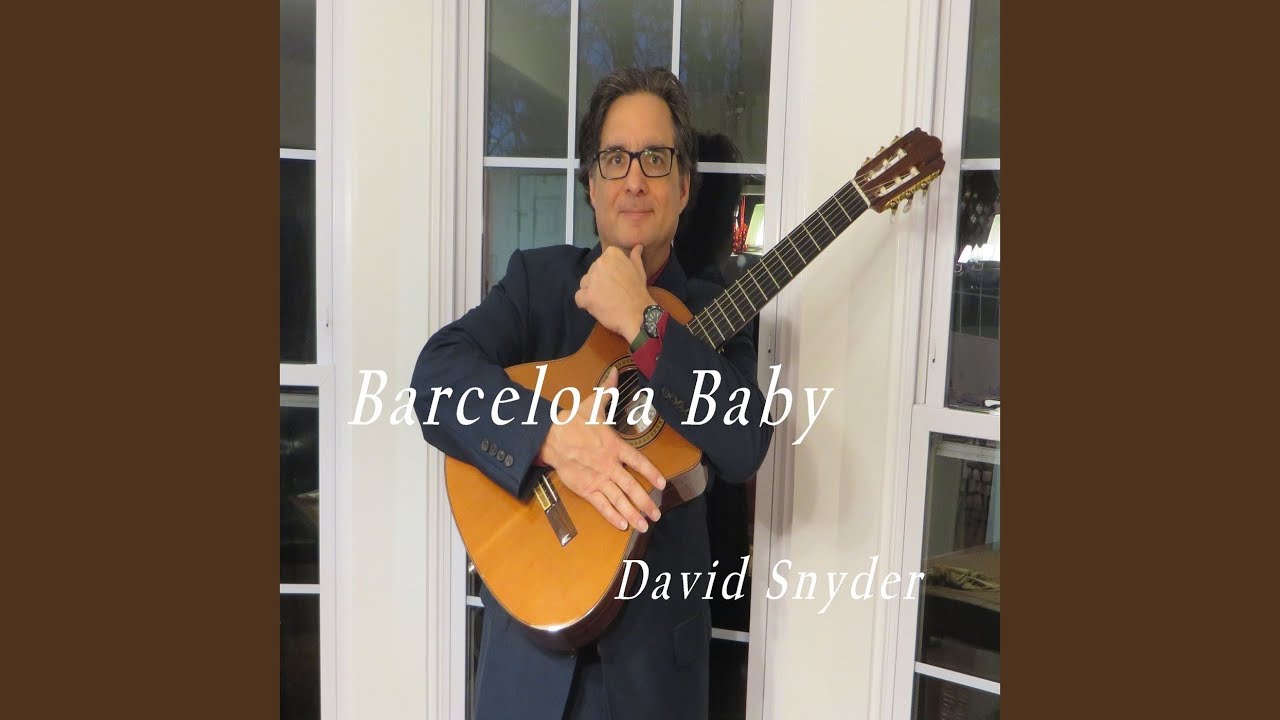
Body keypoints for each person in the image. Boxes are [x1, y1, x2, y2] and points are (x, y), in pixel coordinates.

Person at [411, 67, 773, 720]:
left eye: (656, 158)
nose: (634, 179)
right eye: (615, 158)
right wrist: (551, 437)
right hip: (526, 665)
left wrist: (643, 321)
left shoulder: (717, 311)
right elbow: (435, 378)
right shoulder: (539, 281)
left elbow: (744, 441)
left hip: (653, 682)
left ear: (684, 186)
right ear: (591, 183)